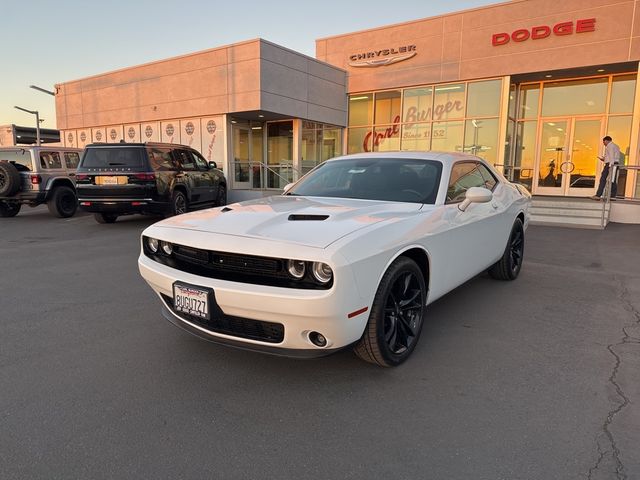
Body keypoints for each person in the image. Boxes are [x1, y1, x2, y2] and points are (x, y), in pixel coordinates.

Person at [591, 136, 621, 200]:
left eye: (604, 142)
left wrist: (610, 166)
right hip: (614, 164)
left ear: (606, 141)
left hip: (610, 164)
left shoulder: (610, 146)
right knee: (613, 180)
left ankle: (598, 195)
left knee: (603, 179)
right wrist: (604, 159)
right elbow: (613, 157)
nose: (604, 143)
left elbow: (612, 157)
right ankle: (612, 196)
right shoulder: (616, 146)